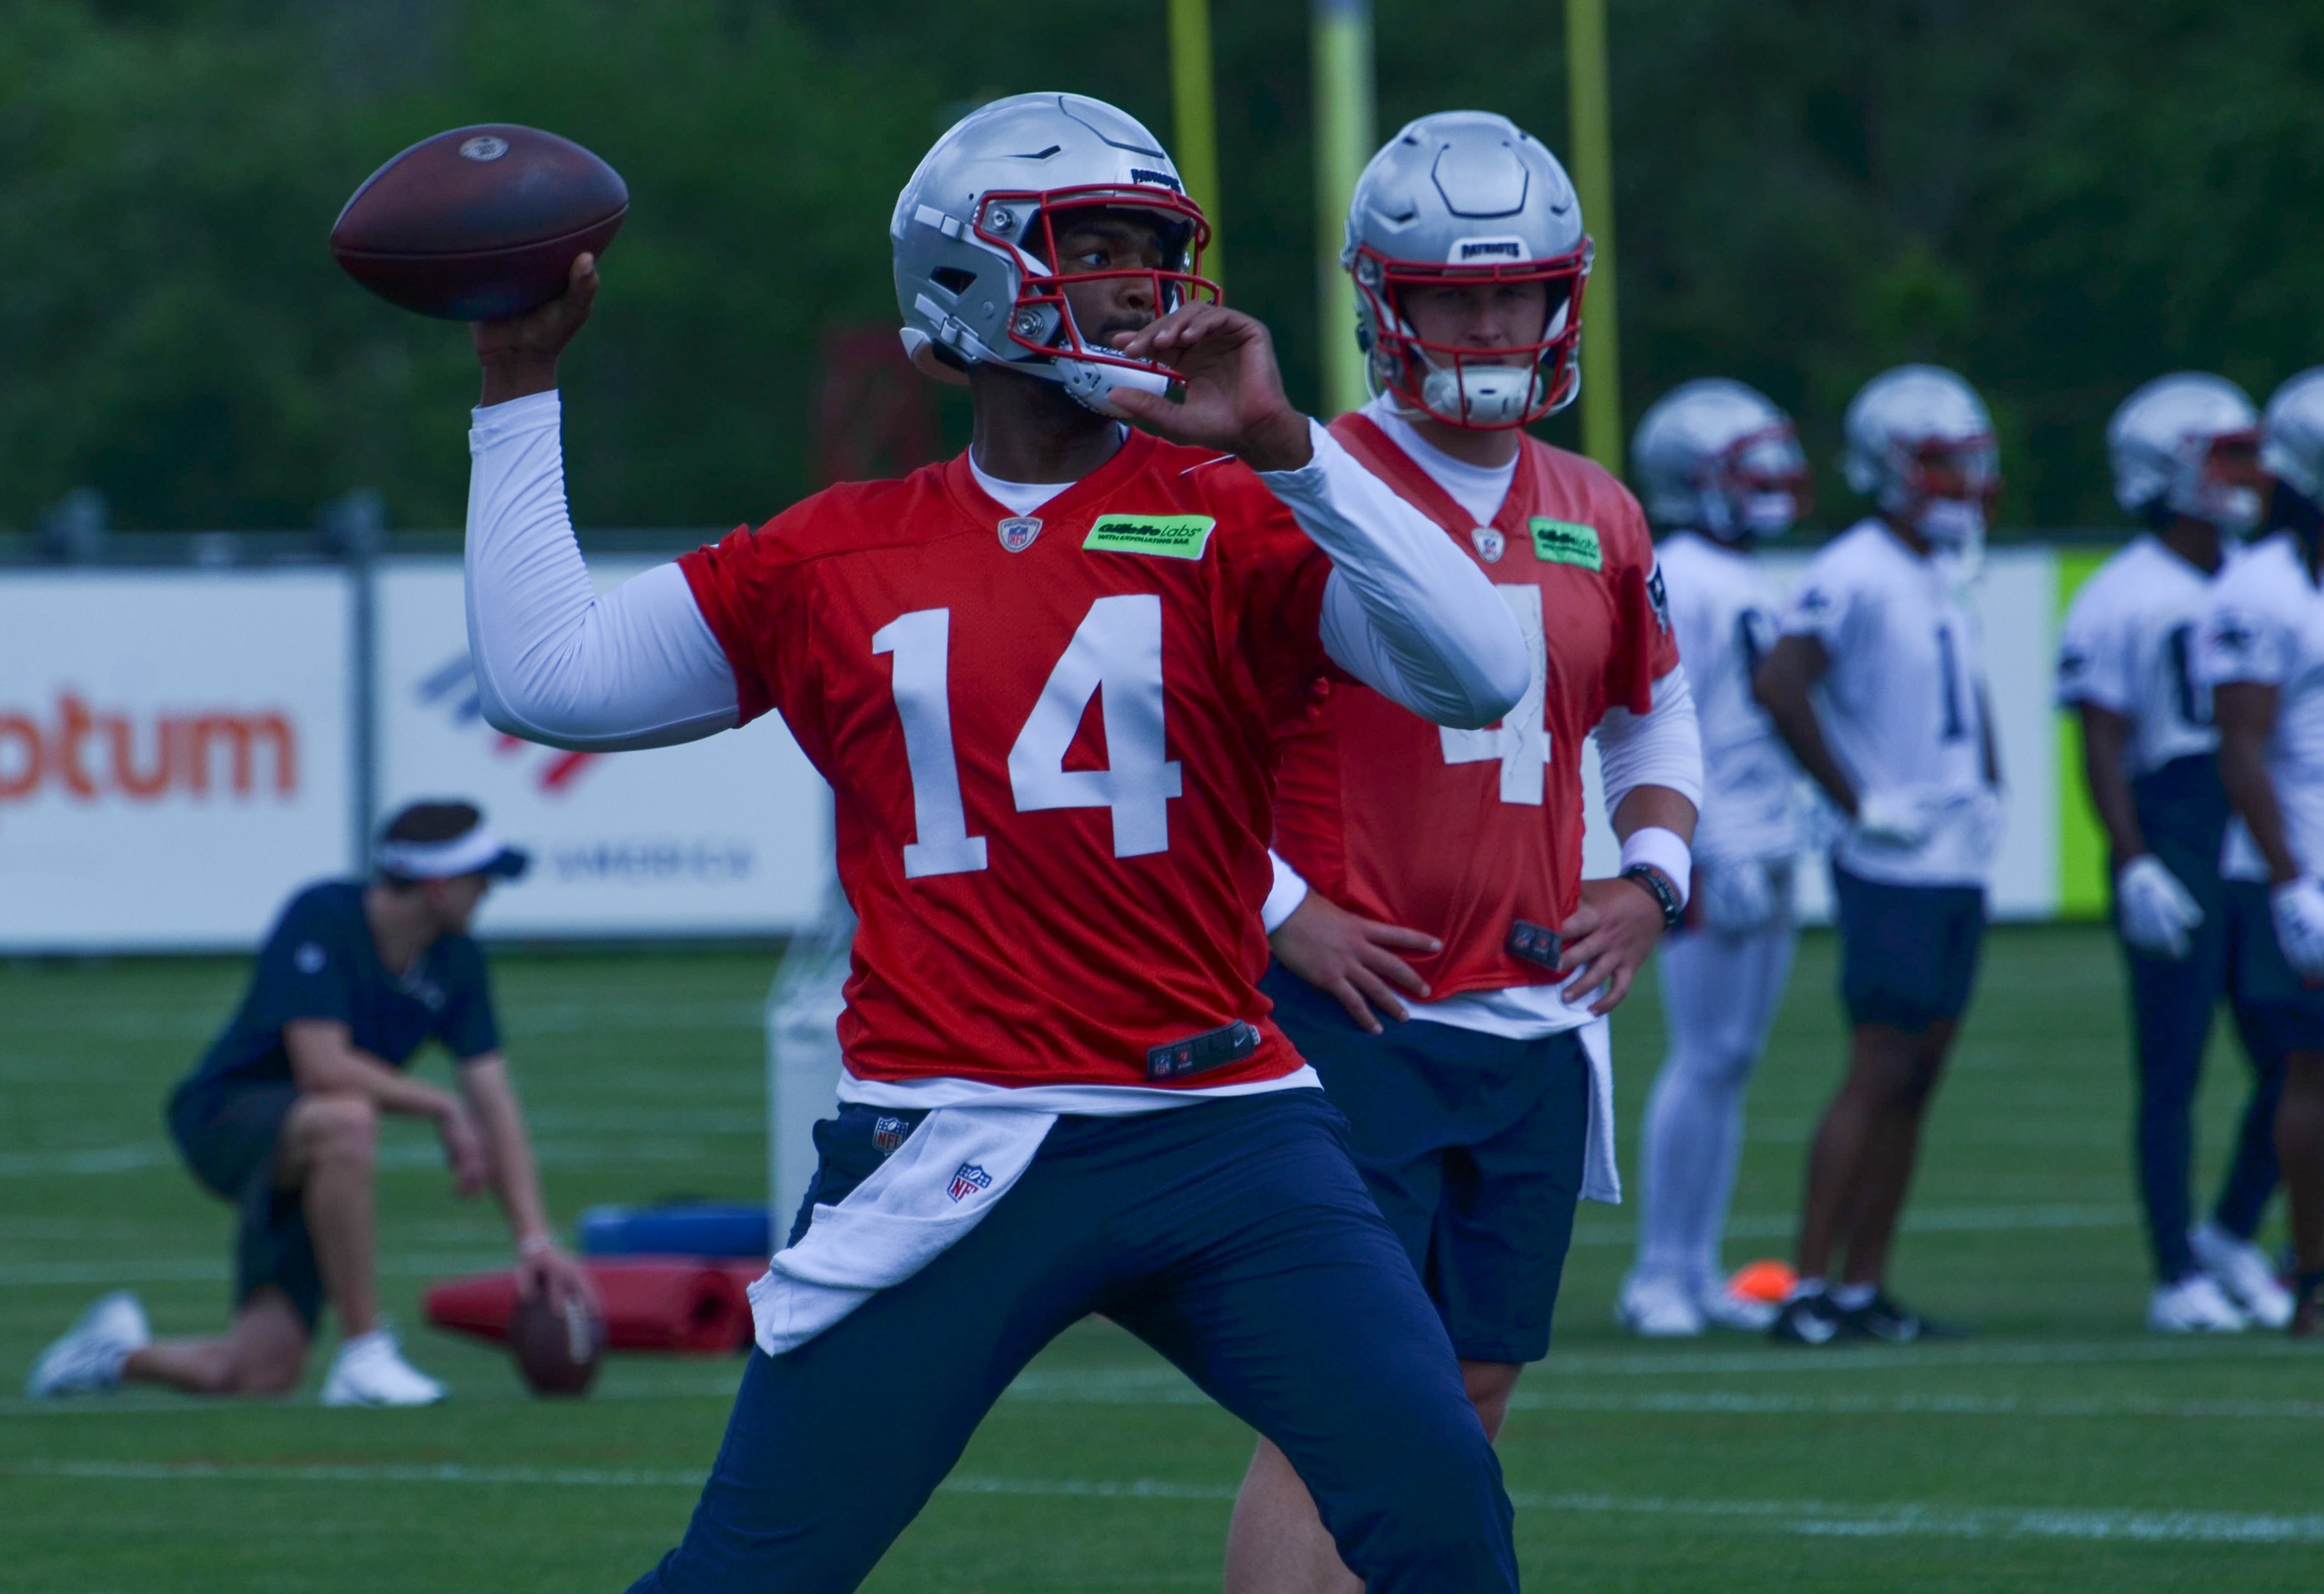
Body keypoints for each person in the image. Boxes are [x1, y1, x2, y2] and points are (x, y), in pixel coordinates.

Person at [456, 93, 1536, 1593]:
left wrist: (1293, 449)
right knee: (750, 1570)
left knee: (1438, 1510)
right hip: (950, 1127)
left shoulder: (1239, 515)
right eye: (1088, 244)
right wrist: (516, 383)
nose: (1132, 283)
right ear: (964, 276)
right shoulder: (831, 550)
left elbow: (1481, 667)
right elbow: (547, 677)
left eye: (1151, 249)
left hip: (1222, 1122)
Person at [1225, 112, 1703, 1594]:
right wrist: (1284, 909)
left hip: (1528, 1017)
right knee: (1335, 1405)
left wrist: (1648, 877)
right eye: (1449, 293)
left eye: (1511, 291)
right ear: (1385, 301)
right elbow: (1176, 737)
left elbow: (1652, 716)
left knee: (1472, 1386)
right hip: (1350, 1014)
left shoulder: (1594, 508)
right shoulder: (1291, 484)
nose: (1487, 321)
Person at [25, 800, 592, 1405]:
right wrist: (442, 1106)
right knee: (347, 1118)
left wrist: (534, 1239)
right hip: (225, 1117)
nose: (489, 891)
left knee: (257, 1373)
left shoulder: (458, 960)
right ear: (436, 885)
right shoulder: (322, 915)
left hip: (311, 1152)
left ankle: (113, 1353)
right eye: (481, 878)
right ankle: (365, 1352)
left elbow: (493, 1095)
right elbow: (322, 1064)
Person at [1753, 364, 2003, 1345]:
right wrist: (1858, 799)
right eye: (1939, 463)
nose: (1960, 481)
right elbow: (1780, 681)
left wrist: (1988, 789)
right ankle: (1808, 1283)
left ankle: (1864, 1285)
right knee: (1877, 1063)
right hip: (1892, 860)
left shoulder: (1939, 567)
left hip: (1950, 855)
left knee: (1920, 1073)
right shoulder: (1854, 565)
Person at [2057, 373, 2291, 1332]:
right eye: (2224, 453)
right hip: (2174, 826)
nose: (2248, 472)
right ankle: (2173, 1268)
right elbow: (2102, 743)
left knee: (2294, 1051)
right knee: (2173, 1064)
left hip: (2247, 825)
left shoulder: (2261, 574)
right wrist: (2132, 857)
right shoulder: (2122, 594)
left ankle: (2233, 1229)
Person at [1618, 378, 1810, 1338]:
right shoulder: (1683, 571)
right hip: (1715, 841)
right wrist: (1697, 842)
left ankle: (1693, 1265)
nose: (1773, 482)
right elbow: (1661, 717)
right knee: (1703, 1055)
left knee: (1730, 1059)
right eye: (1750, 465)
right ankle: (1658, 1271)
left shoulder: (1739, 574)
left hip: (1764, 837)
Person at [2198, 367, 2324, 1336]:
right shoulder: (2261, 583)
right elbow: (2240, 743)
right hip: (2300, 861)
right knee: (2308, 1071)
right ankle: (2311, 1279)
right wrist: (2291, 883)